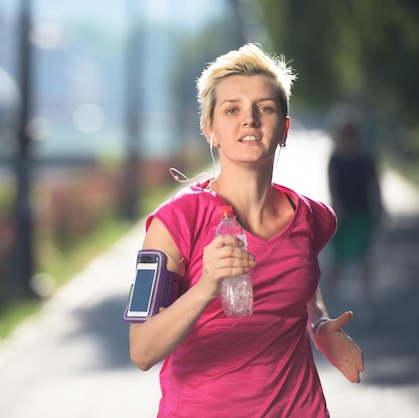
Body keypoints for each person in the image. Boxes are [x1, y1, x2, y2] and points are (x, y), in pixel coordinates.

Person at [128, 43, 364, 417]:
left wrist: (318, 324)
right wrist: (206, 285)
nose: (249, 119)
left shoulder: (312, 218)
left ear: (284, 130)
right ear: (210, 130)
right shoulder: (175, 223)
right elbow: (141, 350)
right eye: (232, 109)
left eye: (265, 108)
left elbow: (299, 272)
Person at [326, 117, 383, 314]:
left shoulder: (365, 158)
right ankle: (328, 303)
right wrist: (337, 207)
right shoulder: (336, 158)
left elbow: (374, 184)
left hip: (362, 214)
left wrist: (379, 207)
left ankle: (367, 302)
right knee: (338, 260)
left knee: (364, 260)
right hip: (343, 216)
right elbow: (332, 185)